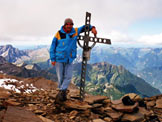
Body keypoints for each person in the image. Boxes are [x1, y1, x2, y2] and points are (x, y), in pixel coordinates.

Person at [50, 18, 97, 102]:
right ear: (64, 25)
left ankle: (61, 92)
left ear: (72, 25)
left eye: (71, 24)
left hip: (69, 59)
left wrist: (92, 27)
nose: (69, 26)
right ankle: (62, 94)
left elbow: (84, 27)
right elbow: (53, 46)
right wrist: (52, 58)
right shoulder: (59, 33)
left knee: (68, 76)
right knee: (60, 78)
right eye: (67, 24)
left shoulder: (75, 31)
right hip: (59, 59)